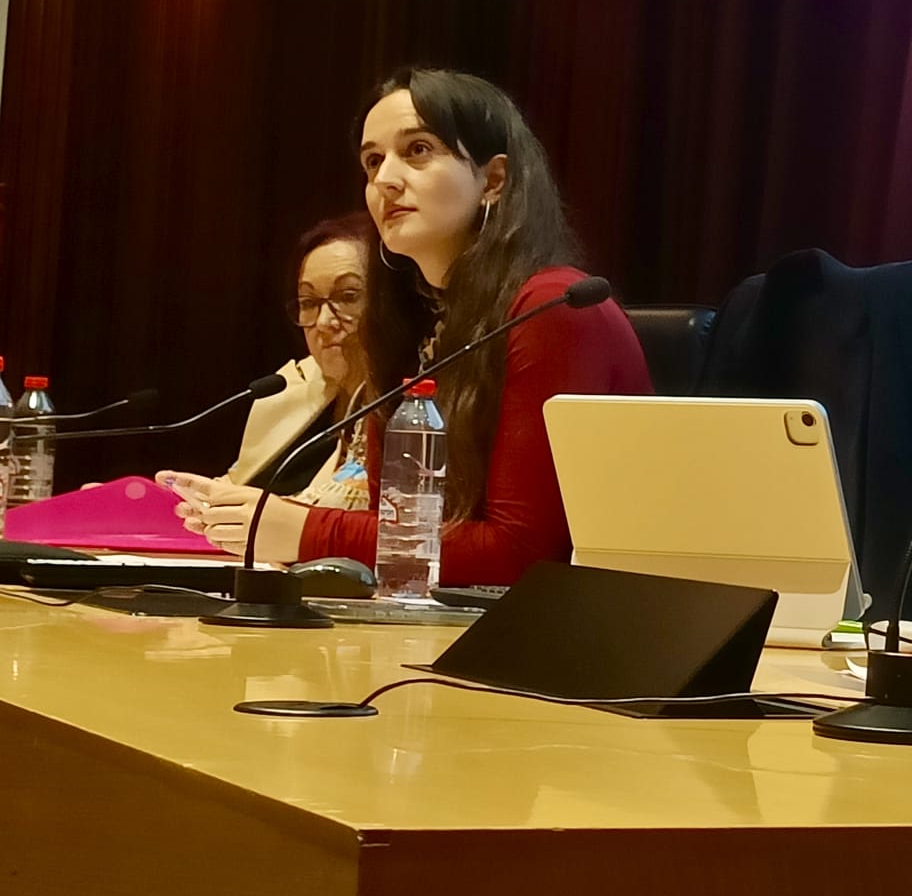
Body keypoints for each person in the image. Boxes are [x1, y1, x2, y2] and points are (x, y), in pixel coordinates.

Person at [166, 68, 651, 582]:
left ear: (493, 180)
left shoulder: (554, 308)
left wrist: (305, 531)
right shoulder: (412, 323)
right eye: (373, 161)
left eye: (417, 150)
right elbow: (396, 531)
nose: (385, 181)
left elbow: (523, 554)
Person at [223, 213, 378, 507]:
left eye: (347, 297)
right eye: (308, 302)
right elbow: (234, 485)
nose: (323, 322)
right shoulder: (293, 389)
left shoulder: (411, 416)